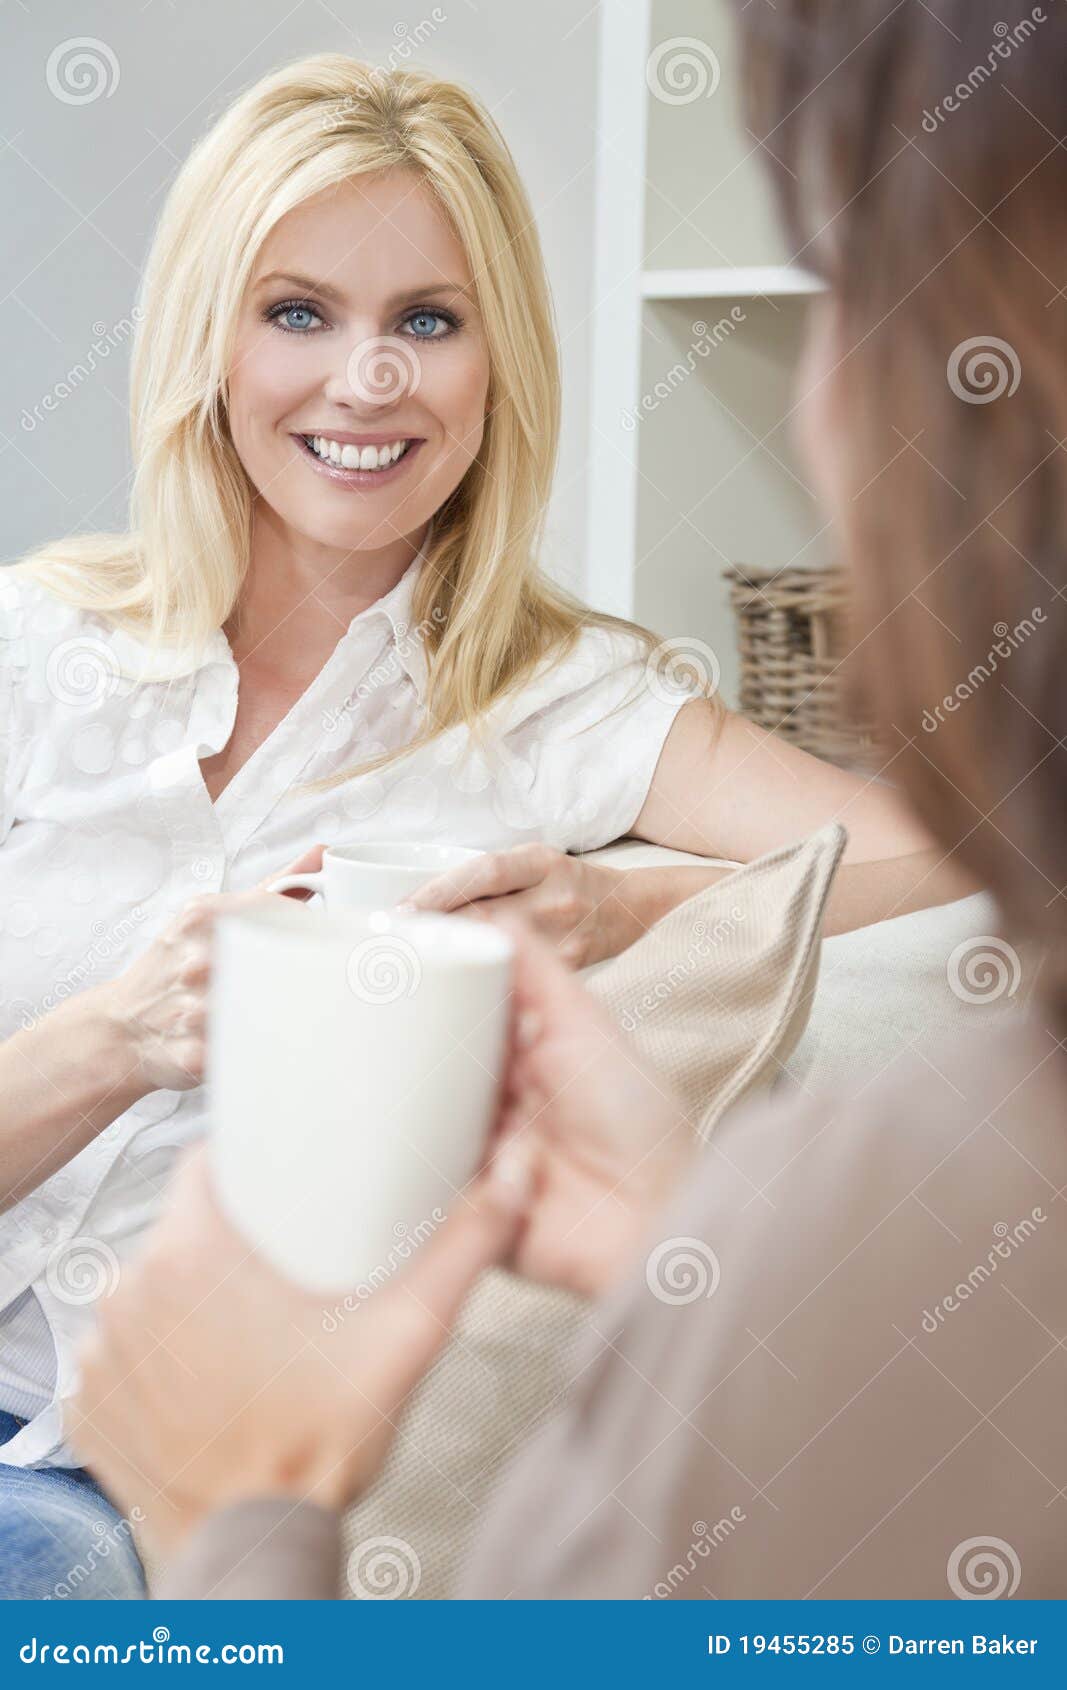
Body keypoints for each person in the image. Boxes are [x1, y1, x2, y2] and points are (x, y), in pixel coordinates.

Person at [65, 0, 1067, 1600]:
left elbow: (939, 848)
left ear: (499, 362)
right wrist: (118, 1035)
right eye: (298, 311)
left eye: (430, 320)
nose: (367, 379)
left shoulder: (569, 693)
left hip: (148, 1497)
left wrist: (632, 898)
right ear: (207, 339)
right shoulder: (36, 649)